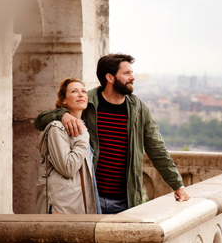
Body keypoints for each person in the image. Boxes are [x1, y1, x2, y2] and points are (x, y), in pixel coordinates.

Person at [34, 53, 189, 214]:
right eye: (126, 73)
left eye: (132, 72)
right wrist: (61, 114)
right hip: (90, 197)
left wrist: (178, 185)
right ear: (110, 77)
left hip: (126, 199)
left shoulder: (139, 109)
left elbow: (157, 150)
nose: (132, 78)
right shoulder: (88, 102)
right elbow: (40, 121)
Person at [35, 78, 101, 215]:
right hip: (62, 207)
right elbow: (68, 168)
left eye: (83, 91)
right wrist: (83, 135)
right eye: (74, 91)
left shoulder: (85, 124)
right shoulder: (57, 128)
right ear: (63, 100)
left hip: (81, 204)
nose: (81, 94)